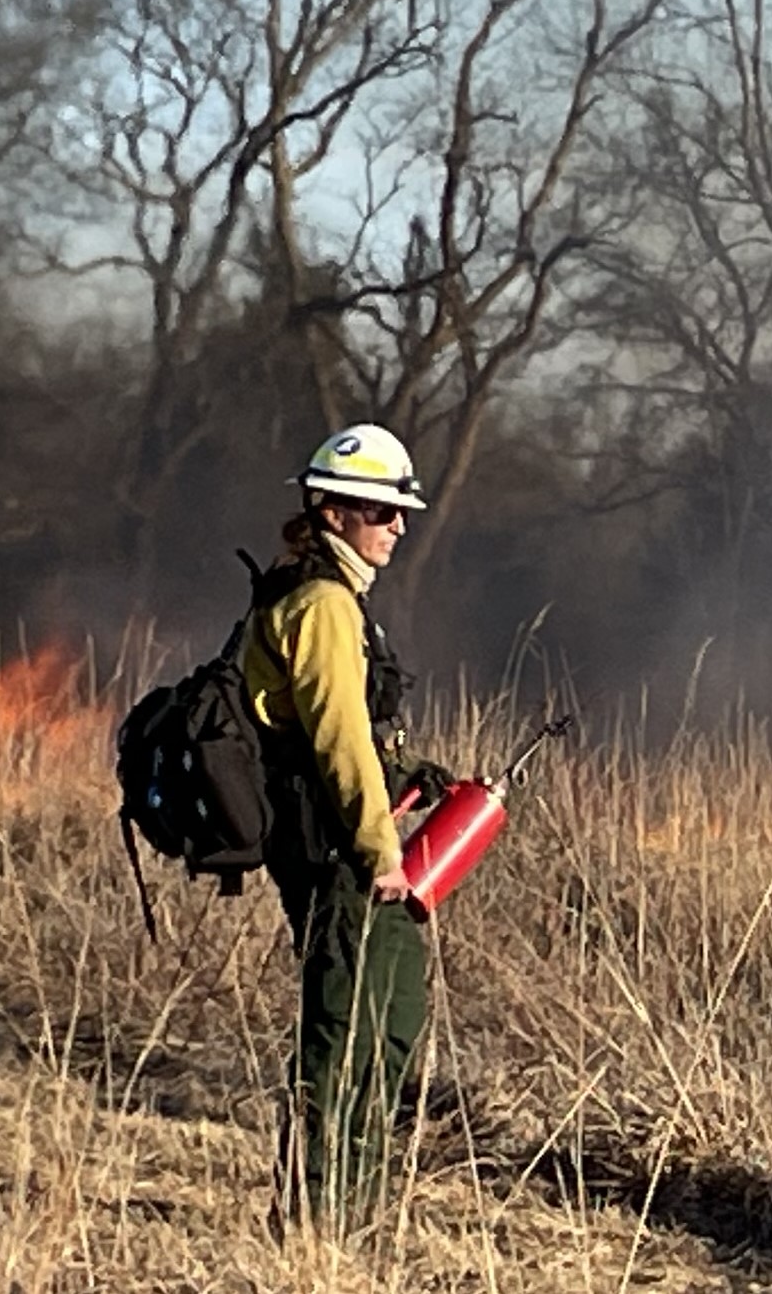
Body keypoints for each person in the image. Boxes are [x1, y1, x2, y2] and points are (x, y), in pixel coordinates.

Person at [244, 423, 433, 1231]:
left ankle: (358, 1202)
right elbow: (339, 740)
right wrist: (380, 849)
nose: (396, 526)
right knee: (344, 1032)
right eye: (380, 511)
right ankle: (318, 1218)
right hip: (339, 857)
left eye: (400, 513)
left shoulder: (336, 598)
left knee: (391, 1020)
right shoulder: (322, 605)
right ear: (331, 512)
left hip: (352, 850)